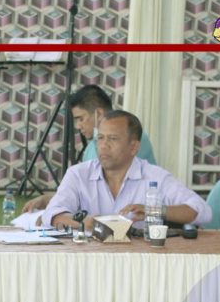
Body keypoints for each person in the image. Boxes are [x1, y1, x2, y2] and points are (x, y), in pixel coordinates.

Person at [41, 110, 211, 230]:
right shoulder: (78, 174)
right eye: (100, 138)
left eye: (112, 139)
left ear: (133, 147)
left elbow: (202, 211)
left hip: (141, 262)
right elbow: (52, 214)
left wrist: (153, 211)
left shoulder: (155, 176)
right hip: (89, 259)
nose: (103, 145)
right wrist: (83, 223)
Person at [23, 84, 157, 213]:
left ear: (99, 114)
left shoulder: (130, 139)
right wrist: (50, 200)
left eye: (80, 118)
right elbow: (86, 192)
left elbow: (103, 197)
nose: (78, 126)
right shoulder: (90, 149)